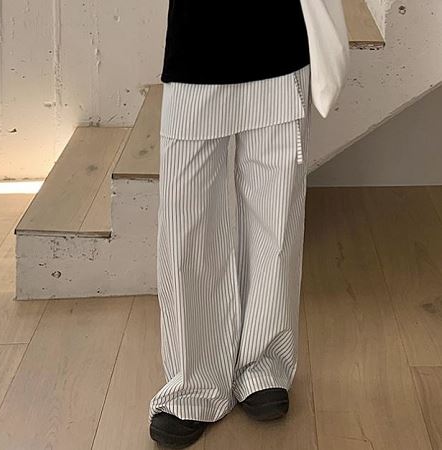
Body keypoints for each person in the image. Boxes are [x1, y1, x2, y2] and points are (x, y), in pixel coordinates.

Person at [148, 0, 350, 448]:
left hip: (280, 41)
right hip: (196, 42)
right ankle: (193, 383)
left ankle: (264, 364)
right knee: (187, 223)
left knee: (276, 216)